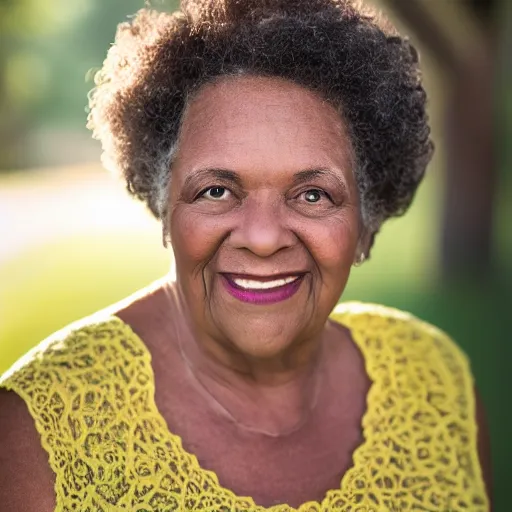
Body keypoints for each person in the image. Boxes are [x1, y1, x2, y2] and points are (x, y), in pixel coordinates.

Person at [0, 0, 492, 510]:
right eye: (216, 190)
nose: (262, 238)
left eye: (312, 194)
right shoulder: (35, 434)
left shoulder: (436, 385)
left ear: (366, 223)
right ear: (165, 206)